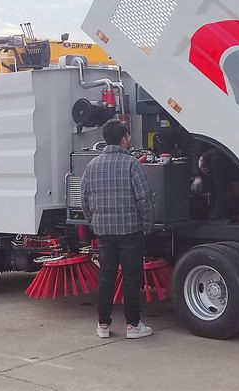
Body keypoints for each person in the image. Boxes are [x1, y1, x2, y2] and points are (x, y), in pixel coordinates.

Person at [81, 119, 154, 339]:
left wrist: (94, 222)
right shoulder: (132, 164)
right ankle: (133, 326)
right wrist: (147, 226)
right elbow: (144, 199)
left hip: (104, 232)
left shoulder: (91, 166)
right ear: (123, 139)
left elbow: (84, 200)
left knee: (106, 277)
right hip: (130, 231)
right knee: (131, 278)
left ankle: (103, 325)